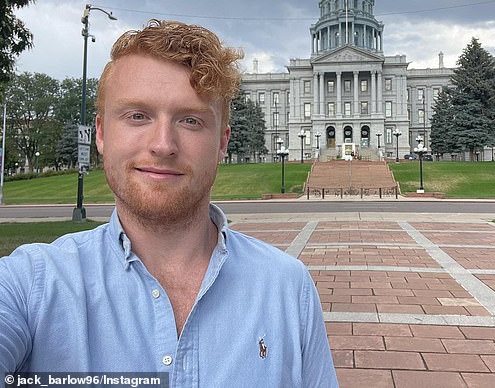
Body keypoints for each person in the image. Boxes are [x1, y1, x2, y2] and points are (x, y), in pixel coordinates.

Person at [0, 20, 338, 387]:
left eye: (190, 120)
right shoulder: (30, 286)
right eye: (137, 116)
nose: (163, 144)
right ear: (100, 133)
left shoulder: (289, 288)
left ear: (222, 141)